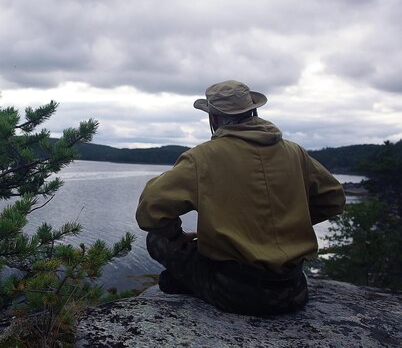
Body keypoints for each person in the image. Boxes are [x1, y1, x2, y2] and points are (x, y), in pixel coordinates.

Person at [136, 80, 346, 315]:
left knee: (157, 238)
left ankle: (193, 284)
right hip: (293, 289)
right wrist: (290, 222)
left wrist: (178, 235)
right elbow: (333, 199)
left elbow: (149, 211)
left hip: (234, 292)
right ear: (253, 111)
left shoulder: (202, 158)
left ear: (214, 119)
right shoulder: (294, 152)